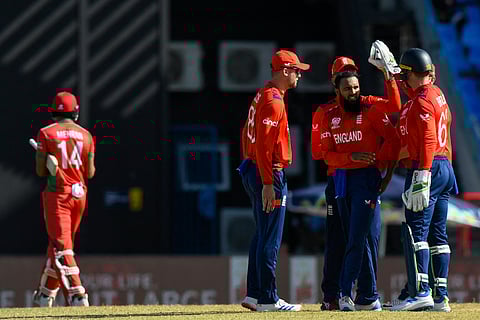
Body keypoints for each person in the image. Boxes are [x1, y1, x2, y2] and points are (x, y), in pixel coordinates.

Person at [311, 56, 402, 310]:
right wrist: (349, 158)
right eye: (346, 79)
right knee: (339, 239)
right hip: (337, 181)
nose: (353, 90)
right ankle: (334, 296)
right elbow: (319, 153)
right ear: (335, 83)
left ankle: (365, 295)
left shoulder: (368, 105)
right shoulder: (325, 113)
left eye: (355, 80)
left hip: (364, 179)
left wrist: (384, 170)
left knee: (367, 236)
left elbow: (394, 108)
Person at [237, 50, 309, 312]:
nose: (300, 75)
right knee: (271, 237)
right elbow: (266, 147)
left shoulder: (263, 95)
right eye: (297, 70)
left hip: (255, 170)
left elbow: (247, 133)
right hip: (268, 173)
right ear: (285, 71)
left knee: (262, 233)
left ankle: (255, 294)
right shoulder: (273, 101)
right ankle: (268, 298)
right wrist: (268, 181)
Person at [390, 48, 457, 312]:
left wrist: (423, 172)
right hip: (444, 165)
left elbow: (428, 136)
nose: (403, 82)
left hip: (427, 165)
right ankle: (441, 296)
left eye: (405, 77)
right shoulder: (437, 93)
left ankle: (420, 292)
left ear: (413, 75)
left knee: (415, 230)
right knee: (439, 233)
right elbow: (445, 130)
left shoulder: (420, 101)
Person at [32, 91, 95, 307]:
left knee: (62, 246)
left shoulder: (46, 133)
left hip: (57, 194)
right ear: (75, 112)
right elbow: (91, 172)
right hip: (79, 195)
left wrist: (47, 161)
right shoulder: (86, 135)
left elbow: (41, 171)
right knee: (60, 243)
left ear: (53, 111)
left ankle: (78, 296)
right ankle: (45, 295)